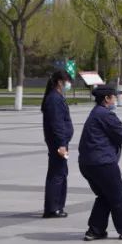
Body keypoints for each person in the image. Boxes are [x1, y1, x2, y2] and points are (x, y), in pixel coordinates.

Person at [78, 85, 122, 241]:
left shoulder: (96, 112)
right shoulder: (105, 114)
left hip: (88, 163)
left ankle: (95, 230)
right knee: (117, 196)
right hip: (102, 163)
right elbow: (120, 133)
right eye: (114, 97)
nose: (116, 100)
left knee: (105, 195)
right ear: (107, 99)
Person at [41, 70, 74, 218]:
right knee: (57, 174)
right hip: (58, 143)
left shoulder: (56, 97)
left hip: (60, 142)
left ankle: (56, 206)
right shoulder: (54, 99)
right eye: (67, 81)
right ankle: (52, 208)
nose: (69, 84)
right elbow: (57, 124)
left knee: (60, 172)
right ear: (60, 82)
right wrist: (61, 144)